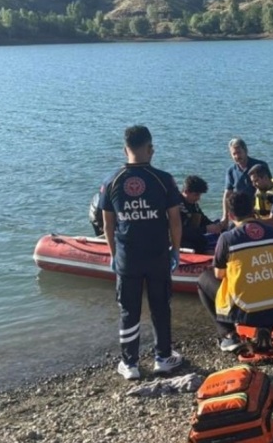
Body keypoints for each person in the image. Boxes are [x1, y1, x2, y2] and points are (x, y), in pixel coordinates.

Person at [98, 125, 184, 380]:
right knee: (160, 307)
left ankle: (131, 363)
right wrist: (176, 251)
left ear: (125, 150)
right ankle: (163, 357)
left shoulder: (111, 181)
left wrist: (114, 254)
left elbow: (108, 225)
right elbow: (175, 221)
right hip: (157, 256)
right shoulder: (164, 179)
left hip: (127, 259)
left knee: (129, 310)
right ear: (151, 149)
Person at [197, 191, 273, 352]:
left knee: (203, 280)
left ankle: (229, 335)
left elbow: (219, 275)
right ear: (253, 210)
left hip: (247, 311)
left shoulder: (228, 238)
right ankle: (268, 325)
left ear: (230, 215)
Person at [222, 138, 268, 222]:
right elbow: (227, 194)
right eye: (234, 154)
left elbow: (269, 186)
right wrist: (225, 216)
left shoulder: (260, 165)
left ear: (246, 151)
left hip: (258, 209)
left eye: (239, 152)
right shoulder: (231, 171)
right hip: (239, 212)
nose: (237, 156)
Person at [179, 175, 223, 253]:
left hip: (194, 236)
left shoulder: (193, 204)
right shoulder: (175, 206)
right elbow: (179, 231)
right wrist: (206, 229)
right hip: (180, 241)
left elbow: (203, 219)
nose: (198, 198)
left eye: (200, 195)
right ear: (186, 192)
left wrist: (216, 226)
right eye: (196, 195)